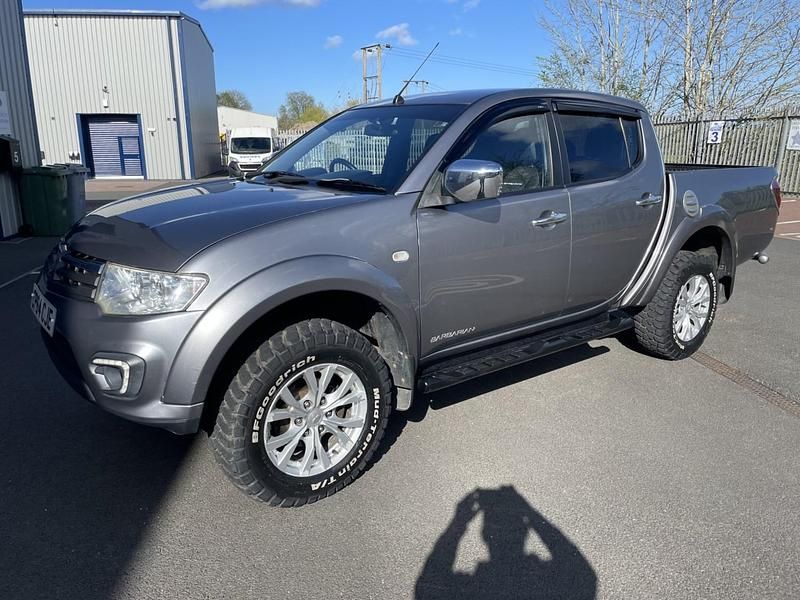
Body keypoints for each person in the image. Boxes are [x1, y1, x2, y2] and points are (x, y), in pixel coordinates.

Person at [415, 486, 597, 600]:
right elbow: (584, 575)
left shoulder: (474, 589)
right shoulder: (541, 581)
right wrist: (529, 511)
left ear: (485, 535)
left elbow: (430, 584)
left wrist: (458, 522)